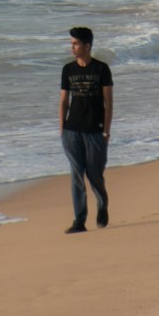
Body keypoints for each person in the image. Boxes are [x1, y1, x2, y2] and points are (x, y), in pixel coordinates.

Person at [59, 26, 113, 233]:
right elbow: (64, 101)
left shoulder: (101, 69)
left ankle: (102, 205)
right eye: (71, 44)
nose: (72, 47)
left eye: (76, 44)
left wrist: (106, 131)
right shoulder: (68, 70)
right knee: (76, 175)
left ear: (87, 46)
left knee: (95, 175)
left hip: (95, 131)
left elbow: (108, 102)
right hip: (72, 131)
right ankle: (79, 220)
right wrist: (62, 129)